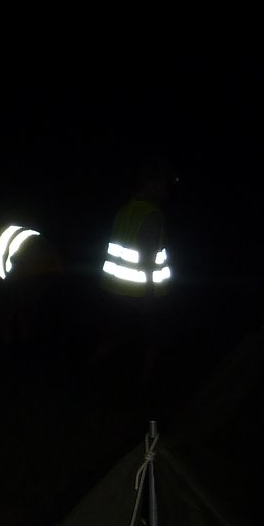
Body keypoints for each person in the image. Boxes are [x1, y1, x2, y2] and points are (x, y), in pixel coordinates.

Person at [95, 158, 175, 404]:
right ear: (149, 185)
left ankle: (92, 371)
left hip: (113, 287)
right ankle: (142, 391)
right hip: (140, 292)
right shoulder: (153, 214)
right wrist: (150, 295)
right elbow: (148, 258)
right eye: (161, 184)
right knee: (152, 341)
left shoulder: (124, 209)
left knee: (119, 335)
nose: (165, 190)